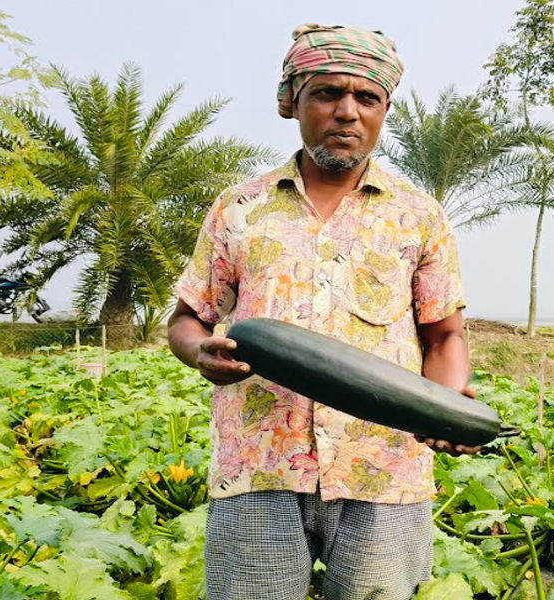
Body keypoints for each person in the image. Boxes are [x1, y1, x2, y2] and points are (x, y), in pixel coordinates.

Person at [166, 23, 479, 600]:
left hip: (383, 469)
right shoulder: (240, 207)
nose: (347, 112)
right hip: (257, 466)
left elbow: (444, 335)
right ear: (292, 102)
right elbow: (188, 317)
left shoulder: (419, 215)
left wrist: (446, 408)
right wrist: (197, 350)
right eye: (327, 93)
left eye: (367, 98)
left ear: (385, 110)